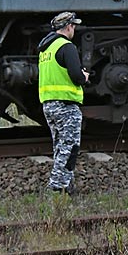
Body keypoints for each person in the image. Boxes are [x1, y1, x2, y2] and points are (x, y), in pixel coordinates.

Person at [38, 11, 89, 194]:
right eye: (73, 26)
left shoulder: (45, 50)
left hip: (49, 105)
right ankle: (56, 188)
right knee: (70, 149)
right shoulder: (67, 47)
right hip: (66, 106)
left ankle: (69, 187)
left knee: (61, 148)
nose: (74, 29)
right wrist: (84, 76)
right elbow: (76, 76)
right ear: (68, 27)